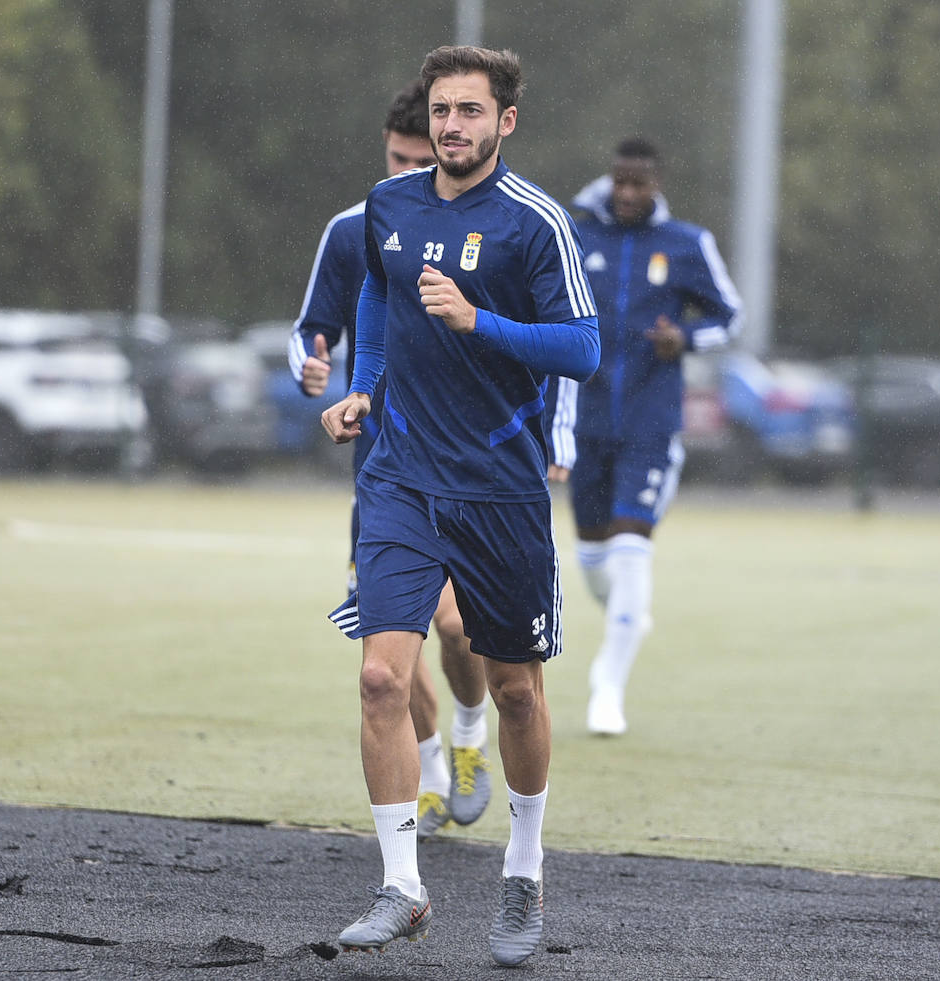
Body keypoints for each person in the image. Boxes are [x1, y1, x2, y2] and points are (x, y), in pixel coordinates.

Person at [320, 45, 599, 967]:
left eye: (470, 112)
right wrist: (365, 385)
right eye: (442, 110)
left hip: (500, 488)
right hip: (398, 477)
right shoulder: (389, 206)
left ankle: (524, 865)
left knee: (516, 688)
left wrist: (481, 321)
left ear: (504, 122)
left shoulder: (534, 222)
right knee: (379, 680)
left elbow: (584, 347)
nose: (451, 126)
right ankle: (401, 886)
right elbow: (377, 290)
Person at [290, 81, 495, 841]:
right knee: (385, 665)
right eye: (398, 156)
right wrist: (315, 372)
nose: (411, 170)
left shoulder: (493, 223)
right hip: (383, 477)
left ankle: (471, 736)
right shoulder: (358, 225)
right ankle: (436, 772)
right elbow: (311, 330)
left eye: (423, 157)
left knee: (454, 626)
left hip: (468, 471)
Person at [567, 137, 742, 736]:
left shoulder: (686, 245)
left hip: (651, 424)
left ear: (657, 185)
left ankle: (607, 689)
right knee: (593, 561)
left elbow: (730, 317)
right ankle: (627, 615)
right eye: (621, 181)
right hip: (584, 426)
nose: (629, 193)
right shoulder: (576, 235)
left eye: (640, 183)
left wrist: (685, 340)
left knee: (631, 548)